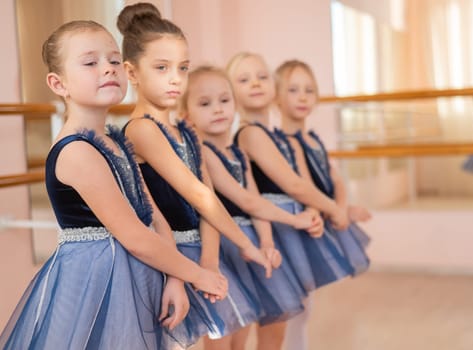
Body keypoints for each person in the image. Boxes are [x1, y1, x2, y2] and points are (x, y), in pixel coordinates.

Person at [0, 20, 227, 350]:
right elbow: (134, 235)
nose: (107, 69)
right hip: (95, 280)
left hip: (141, 272)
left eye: (113, 60)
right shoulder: (76, 150)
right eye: (91, 63)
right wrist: (197, 273)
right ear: (58, 83)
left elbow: (154, 219)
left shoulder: (118, 141)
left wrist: (176, 278)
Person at [116, 3, 271, 347]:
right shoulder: (141, 130)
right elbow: (197, 195)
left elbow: (208, 201)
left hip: (203, 252)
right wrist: (247, 246)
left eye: (182, 68)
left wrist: (210, 263)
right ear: (132, 72)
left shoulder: (187, 132)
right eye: (161, 67)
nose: (175, 78)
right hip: (167, 259)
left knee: (230, 336)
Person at [181, 65, 324, 350]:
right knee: (223, 334)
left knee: (244, 330)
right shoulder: (205, 154)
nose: (218, 109)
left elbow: (256, 203)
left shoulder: (237, 153)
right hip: (224, 246)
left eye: (224, 101)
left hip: (248, 246)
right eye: (205, 104)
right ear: (187, 116)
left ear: (235, 105)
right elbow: (243, 201)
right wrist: (296, 221)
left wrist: (268, 242)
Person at [227, 52, 353, 350]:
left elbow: (304, 182)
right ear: (231, 90)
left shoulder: (281, 137)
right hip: (266, 229)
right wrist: (332, 208)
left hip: (291, 227)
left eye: (262, 76)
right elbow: (291, 184)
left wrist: (313, 210)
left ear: (274, 87)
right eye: (244, 79)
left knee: (282, 321)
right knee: (256, 322)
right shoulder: (250, 134)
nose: (255, 83)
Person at [274, 59, 371, 275]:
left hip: (327, 213)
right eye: (293, 90)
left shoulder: (314, 140)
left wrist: (343, 209)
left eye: (309, 90)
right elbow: (303, 187)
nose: (302, 97)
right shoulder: (282, 143)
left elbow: (335, 178)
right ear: (276, 96)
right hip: (307, 220)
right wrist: (336, 210)